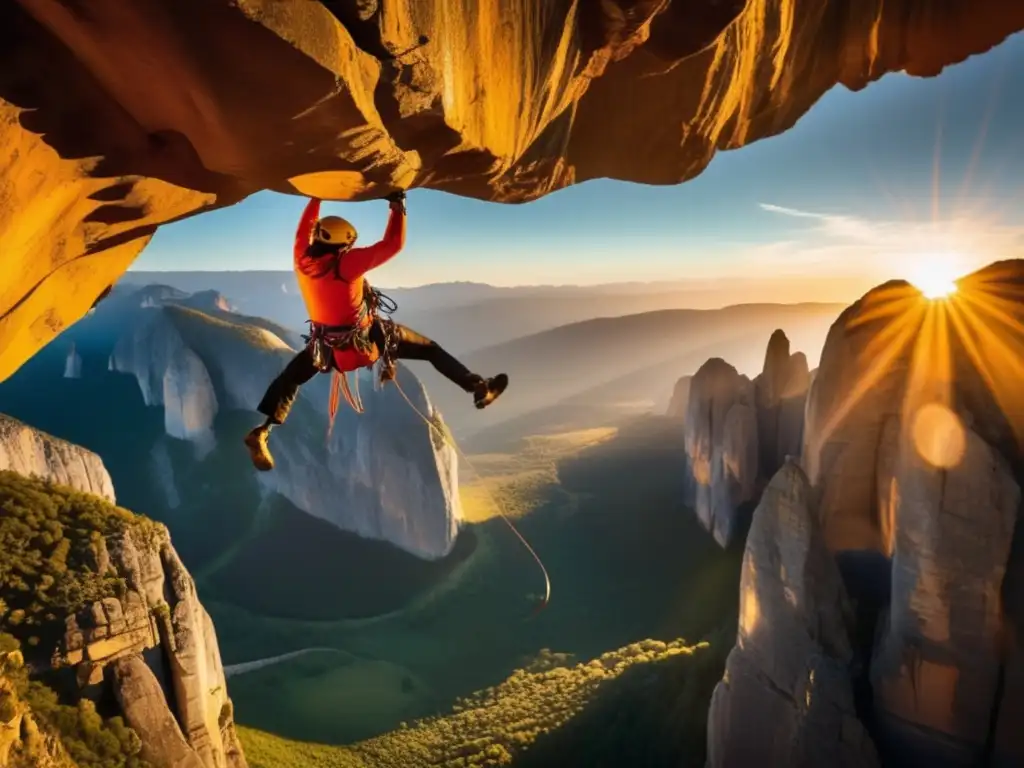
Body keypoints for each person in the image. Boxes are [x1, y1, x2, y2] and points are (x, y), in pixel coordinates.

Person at [244, 191, 508, 471]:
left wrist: (316, 197)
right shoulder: (345, 265)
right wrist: (397, 205)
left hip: (325, 349)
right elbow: (393, 244)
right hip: (365, 344)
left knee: (290, 379)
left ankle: (263, 430)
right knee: (430, 349)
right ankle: (478, 387)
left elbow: (304, 227)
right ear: (342, 244)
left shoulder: (302, 258)